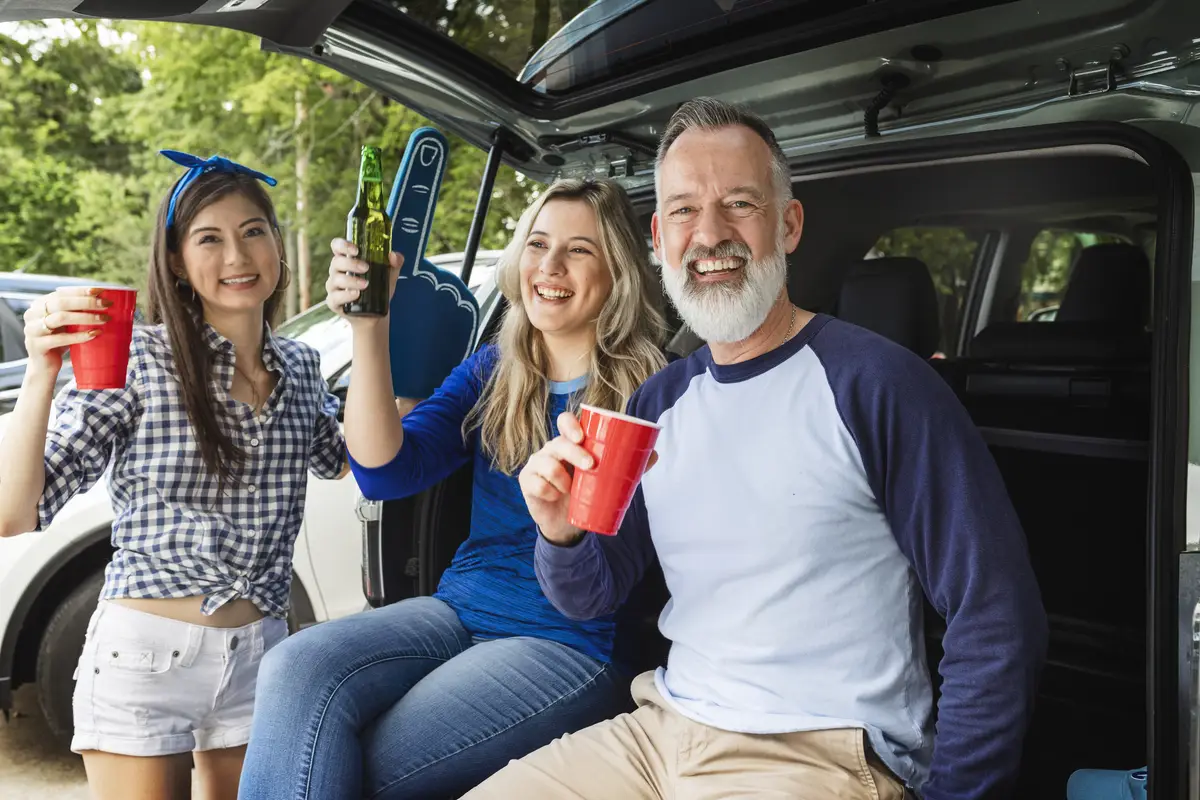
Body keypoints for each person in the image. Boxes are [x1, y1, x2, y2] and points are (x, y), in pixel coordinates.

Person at [465, 98, 1049, 800]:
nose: (709, 234)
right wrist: (559, 535)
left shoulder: (879, 384)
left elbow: (996, 614)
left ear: (788, 223)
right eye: (683, 210)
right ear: (658, 236)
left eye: (739, 203)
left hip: (821, 756)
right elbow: (593, 595)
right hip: (657, 736)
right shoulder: (657, 402)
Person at [238, 178, 667, 800]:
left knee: (362, 766)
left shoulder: (652, 394)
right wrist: (369, 327)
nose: (549, 266)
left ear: (619, 271)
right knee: (294, 666)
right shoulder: (497, 368)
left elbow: (616, 580)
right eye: (538, 244)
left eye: (579, 250)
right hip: (460, 608)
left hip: (569, 642)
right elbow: (385, 471)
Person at [0, 150, 346, 799]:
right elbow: (12, 512)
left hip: (264, 657)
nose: (237, 256)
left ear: (277, 244)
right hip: (145, 661)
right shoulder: (137, 359)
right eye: (208, 238)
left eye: (252, 231)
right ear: (178, 262)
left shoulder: (300, 365)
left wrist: (392, 370)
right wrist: (42, 370)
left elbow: (339, 458)